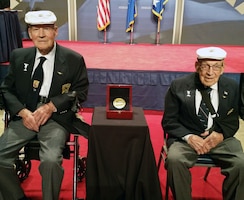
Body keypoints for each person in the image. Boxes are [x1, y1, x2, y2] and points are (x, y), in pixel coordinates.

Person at [0, 10, 89, 200]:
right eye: (36, 29)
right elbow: (6, 89)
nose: (41, 34)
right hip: (25, 117)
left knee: (50, 161)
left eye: (46, 29)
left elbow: (81, 92)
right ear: (30, 33)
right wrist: (23, 112)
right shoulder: (18, 56)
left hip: (56, 119)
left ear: (55, 31)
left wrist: (51, 106)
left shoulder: (73, 59)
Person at [162, 46, 244, 200]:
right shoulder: (178, 86)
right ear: (196, 66)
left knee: (241, 163)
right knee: (175, 160)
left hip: (219, 139)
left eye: (216, 67)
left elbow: (232, 121)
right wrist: (189, 137)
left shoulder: (232, 87)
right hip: (186, 140)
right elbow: (169, 121)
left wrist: (220, 135)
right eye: (205, 66)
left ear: (223, 69)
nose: (210, 72)